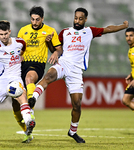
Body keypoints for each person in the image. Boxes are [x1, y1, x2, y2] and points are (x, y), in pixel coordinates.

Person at [28, 7, 129, 143]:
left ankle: (72, 131)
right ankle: (33, 98)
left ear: (85, 19)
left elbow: (108, 29)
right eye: (75, 18)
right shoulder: (65, 32)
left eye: (80, 19)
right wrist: (48, 43)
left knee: (77, 104)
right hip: (64, 63)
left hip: (76, 70)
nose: (77, 21)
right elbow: (57, 50)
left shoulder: (89, 31)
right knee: (48, 76)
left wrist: (123, 26)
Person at [11, 6, 62, 143]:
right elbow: (17, 48)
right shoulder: (23, 30)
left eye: (37, 20)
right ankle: (27, 131)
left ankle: (31, 113)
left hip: (37, 65)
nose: (34, 22)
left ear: (42, 19)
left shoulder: (50, 31)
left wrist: (55, 51)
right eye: (32, 19)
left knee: (29, 78)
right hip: (21, 66)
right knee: (15, 102)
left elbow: (58, 49)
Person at [122, 27, 134, 110]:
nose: (128, 38)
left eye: (131, 36)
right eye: (127, 36)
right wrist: (131, 74)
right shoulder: (131, 50)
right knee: (126, 100)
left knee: (126, 99)